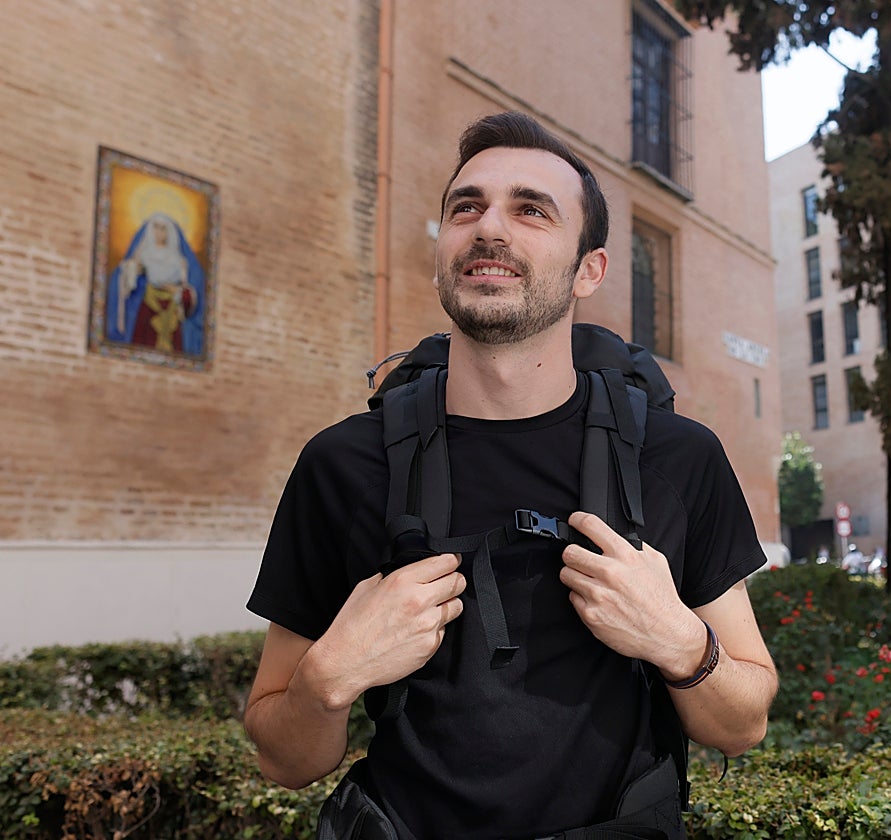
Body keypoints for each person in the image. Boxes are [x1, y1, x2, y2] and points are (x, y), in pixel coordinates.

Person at [242, 111, 778, 840]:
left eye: (531, 210)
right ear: (443, 251)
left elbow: (744, 723)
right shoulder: (344, 464)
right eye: (468, 207)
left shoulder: (677, 459)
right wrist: (329, 677)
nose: (489, 227)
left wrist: (678, 641)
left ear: (590, 269)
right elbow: (282, 757)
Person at [105, 211, 205, 354]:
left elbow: (190, 291)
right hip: (149, 306)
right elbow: (124, 278)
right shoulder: (144, 253)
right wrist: (132, 270)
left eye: (163, 228)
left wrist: (178, 292)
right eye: (156, 227)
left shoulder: (179, 260)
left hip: (172, 309)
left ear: (170, 232)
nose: (159, 232)